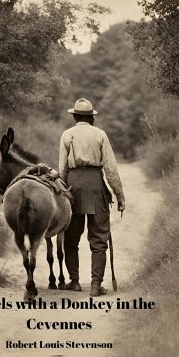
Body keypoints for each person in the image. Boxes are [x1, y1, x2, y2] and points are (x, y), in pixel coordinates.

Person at [59, 98, 125, 296]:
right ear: (91, 118)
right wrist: (119, 195)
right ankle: (96, 285)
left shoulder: (67, 135)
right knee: (99, 239)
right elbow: (111, 169)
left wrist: (64, 194)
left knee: (71, 238)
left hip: (73, 187)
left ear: (74, 116)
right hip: (96, 186)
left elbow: (62, 169)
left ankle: (75, 281)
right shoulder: (100, 135)